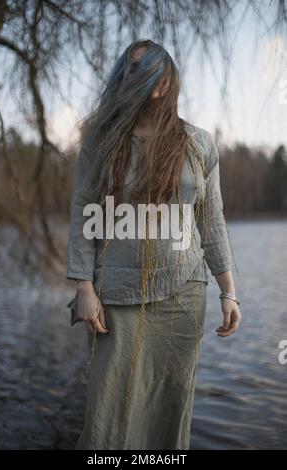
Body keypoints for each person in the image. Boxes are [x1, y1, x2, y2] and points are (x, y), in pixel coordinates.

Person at [66, 39, 242, 450]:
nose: (145, 72)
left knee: (169, 409)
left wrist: (229, 292)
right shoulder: (101, 140)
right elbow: (82, 211)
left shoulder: (198, 144)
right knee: (105, 418)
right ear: (124, 78)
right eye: (134, 66)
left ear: (170, 76)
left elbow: (211, 220)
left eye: (154, 65)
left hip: (183, 297)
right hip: (116, 298)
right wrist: (83, 287)